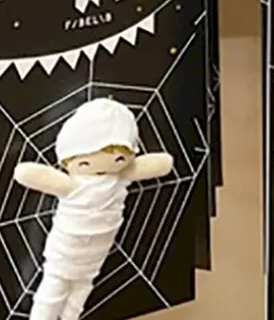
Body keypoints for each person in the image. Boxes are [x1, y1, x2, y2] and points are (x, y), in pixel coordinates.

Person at [14, 99, 174, 320]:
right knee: (54, 290)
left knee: (79, 292)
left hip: (95, 256)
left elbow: (160, 164)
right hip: (65, 254)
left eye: (119, 157)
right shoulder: (74, 185)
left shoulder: (119, 178)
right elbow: (27, 174)